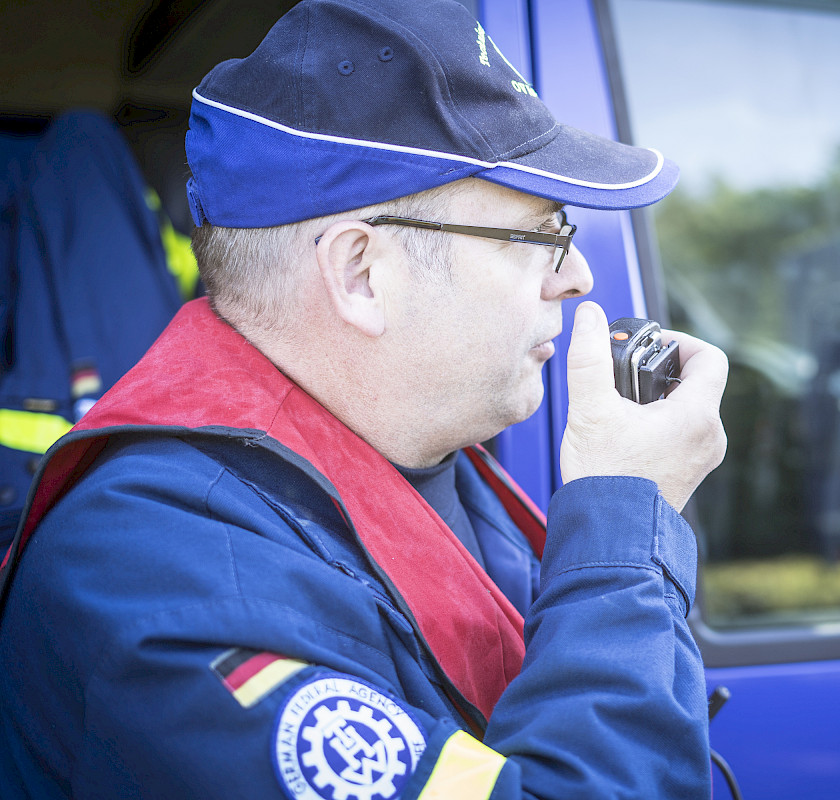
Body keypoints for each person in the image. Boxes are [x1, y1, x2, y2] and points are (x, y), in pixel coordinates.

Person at [0, 1, 728, 798]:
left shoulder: (422, 460)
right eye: (540, 235)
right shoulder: (162, 578)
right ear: (361, 274)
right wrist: (629, 516)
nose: (576, 277)